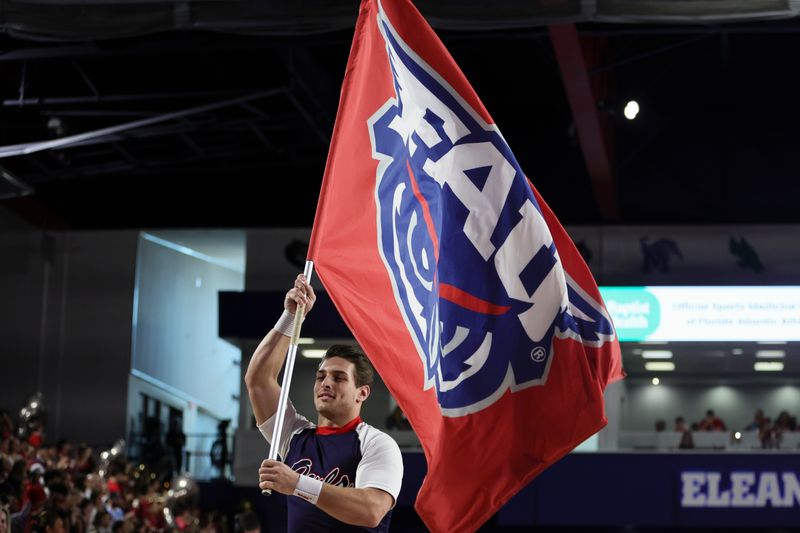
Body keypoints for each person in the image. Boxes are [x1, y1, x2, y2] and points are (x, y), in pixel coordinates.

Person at [245, 274, 403, 532]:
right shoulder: (294, 435)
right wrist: (291, 318)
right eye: (321, 377)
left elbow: (371, 510)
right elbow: (258, 380)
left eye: (339, 377)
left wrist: (297, 483)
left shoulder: (376, 443)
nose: (325, 383)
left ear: (361, 393)